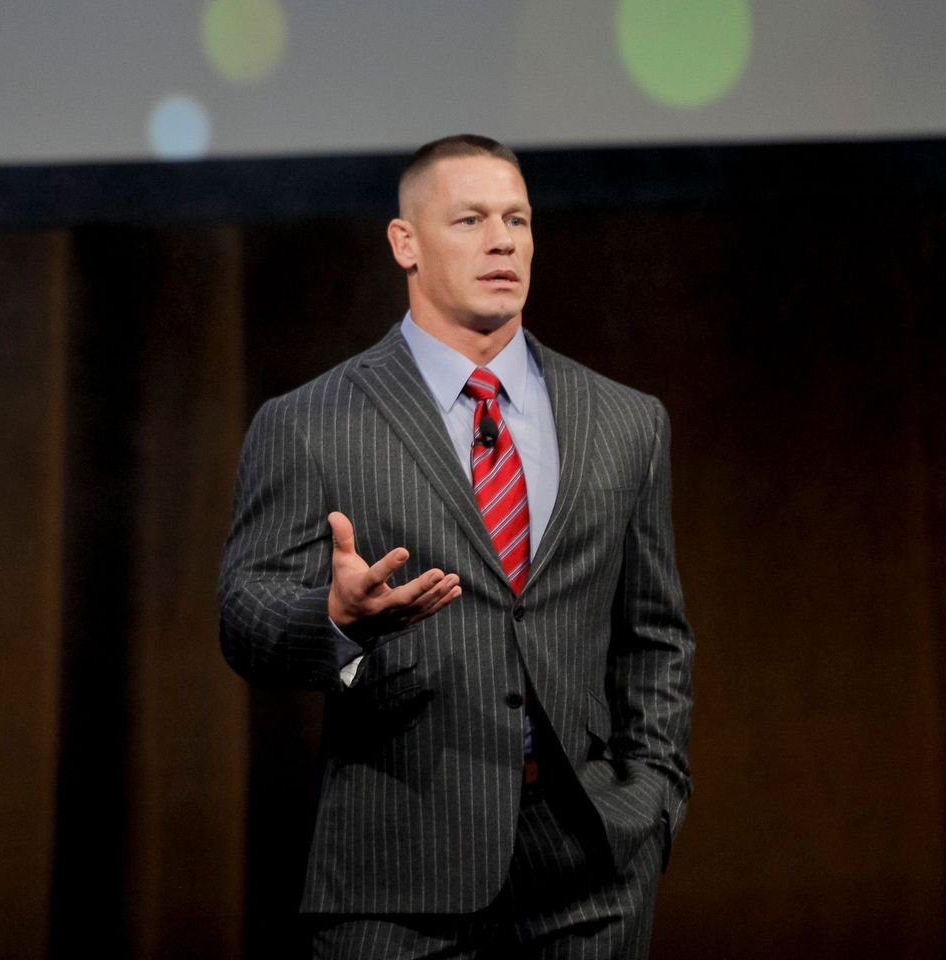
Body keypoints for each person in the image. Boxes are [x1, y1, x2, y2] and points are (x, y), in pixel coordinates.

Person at [219, 134, 694, 959]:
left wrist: (652, 801)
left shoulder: (626, 421)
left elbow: (654, 635)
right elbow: (245, 614)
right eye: (469, 219)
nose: (502, 240)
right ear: (405, 243)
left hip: (590, 873)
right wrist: (335, 619)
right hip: (395, 872)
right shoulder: (311, 421)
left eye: (517, 219)